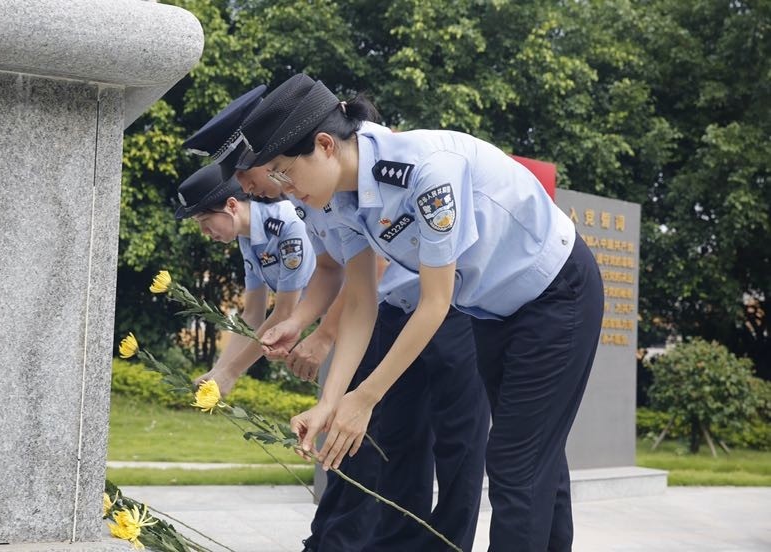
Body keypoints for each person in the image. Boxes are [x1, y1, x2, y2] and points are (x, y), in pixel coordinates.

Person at [236, 74, 605, 552]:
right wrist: (331, 402)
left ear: (325, 144)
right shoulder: (343, 202)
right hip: (494, 312)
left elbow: (434, 304)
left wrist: (365, 398)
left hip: (556, 293)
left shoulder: (424, 171)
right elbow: (362, 305)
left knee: (515, 462)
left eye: (285, 172)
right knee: (538, 461)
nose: (284, 189)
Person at [186, 84, 488, 551]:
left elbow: (375, 268)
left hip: (446, 310)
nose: (243, 187)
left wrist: (323, 336)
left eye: (247, 175)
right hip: (388, 315)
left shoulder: (356, 170)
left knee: (457, 448)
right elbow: (332, 270)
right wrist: (300, 325)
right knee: (395, 447)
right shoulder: (309, 191)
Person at [174, 162, 315, 394]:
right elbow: (252, 315)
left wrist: (232, 372)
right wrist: (217, 371)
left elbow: (284, 313)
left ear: (231, 205)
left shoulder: (287, 226)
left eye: (204, 222)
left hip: (355, 316)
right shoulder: (247, 238)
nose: (205, 233)